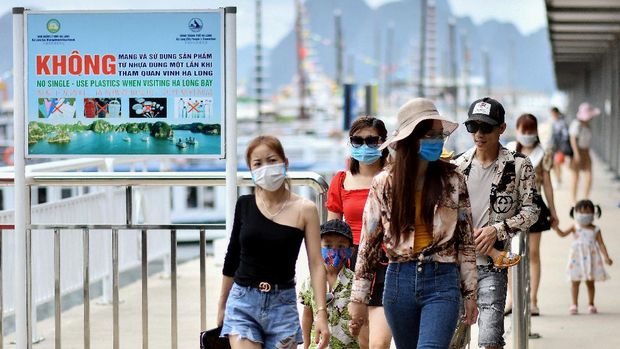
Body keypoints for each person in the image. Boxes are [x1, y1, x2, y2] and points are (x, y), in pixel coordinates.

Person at [349, 98, 479, 349]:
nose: (437, 140)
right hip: (399, 280)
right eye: (429, 135)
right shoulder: (384, 183)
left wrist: (470, 293)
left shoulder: (452, 180)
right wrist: (359, 299)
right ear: (411, 139)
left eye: (439, 135)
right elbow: (368, 245)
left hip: (442, 281)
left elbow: (466, 241)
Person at [217, 135, 330, 349]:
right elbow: (232, 257)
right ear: (251, 170)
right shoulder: (245, 205)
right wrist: (222, 304)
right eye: (257, 164)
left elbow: (316, 264)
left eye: (272, 160)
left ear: (285, 163)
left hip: (283, 305)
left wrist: (321, 313)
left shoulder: (305, 209)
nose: (265, 168)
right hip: (243, 301)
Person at [453, 97, 539, 349]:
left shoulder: (519, 165)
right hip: (456, 267)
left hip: (493, 265)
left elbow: (531, 210)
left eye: (486, 127)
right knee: (452, 340)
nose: (479, 134)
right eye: (473, 127)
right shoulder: (457, 166)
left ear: (501, 128)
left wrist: (497, 229)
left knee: (490, 340)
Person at [326, 116, 392, 349]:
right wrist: (329, 273)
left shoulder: (395, 178)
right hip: (350, 266)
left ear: (383, 142)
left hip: (387, 264)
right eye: (358, 140)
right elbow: (331, 235)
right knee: (359, 342)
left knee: (379, 343)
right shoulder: (341, 181)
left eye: (372, 141)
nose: (365, 146)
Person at [504, 113, 559, 316]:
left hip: (535, 205)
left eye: (530, 131)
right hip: (512, 206)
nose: (527, 134)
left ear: (535, 132)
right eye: (523, 130)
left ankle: (533, 300)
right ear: (517, 130)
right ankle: (512, 298)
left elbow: (548, 184)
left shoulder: (542, 154)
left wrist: (553, 211)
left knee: (533, 254)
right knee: (511, 254)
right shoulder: (509, 150)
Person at [300, 219, 359, 349]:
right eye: (328, 246)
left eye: (341, 246)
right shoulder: (310, 281)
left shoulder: (356, 283)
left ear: (351, 251)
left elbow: (362, 319)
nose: (334, 251)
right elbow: (307, 315)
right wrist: (306, 344)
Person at [553, 199, 612, 314]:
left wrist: (606, 257)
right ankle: (574, 304)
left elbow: (601, 244)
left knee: (590, 282)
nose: (584, 215)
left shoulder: (596, 229)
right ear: (576, 213)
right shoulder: (575, 226)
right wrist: (556, 228)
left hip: (591, 258)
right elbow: (563, 234)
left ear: (593, 213)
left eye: (587, 212)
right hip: (577, 258)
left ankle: (591, 303)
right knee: (575, 281)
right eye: (581, 212)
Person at [569, 102, 600, 202]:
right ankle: (574, 200)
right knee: (575, 178)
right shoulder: (576, 125)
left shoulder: (588, 126)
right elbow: (572, 139)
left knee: (589, 176)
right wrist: (577, 154)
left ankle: (586, 198)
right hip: (577, 152)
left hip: (586, 152)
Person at [548, 107, 571, 185]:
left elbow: (566, 135)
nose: (552, 115)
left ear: (556, 113)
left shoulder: (561, 122)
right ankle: (558, 179)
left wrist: (562, 147)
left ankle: (558, 179)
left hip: (559, 146)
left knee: (556, 163)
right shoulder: (555, 122)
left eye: (553, 113)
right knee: (555, 163)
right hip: (555, 146)